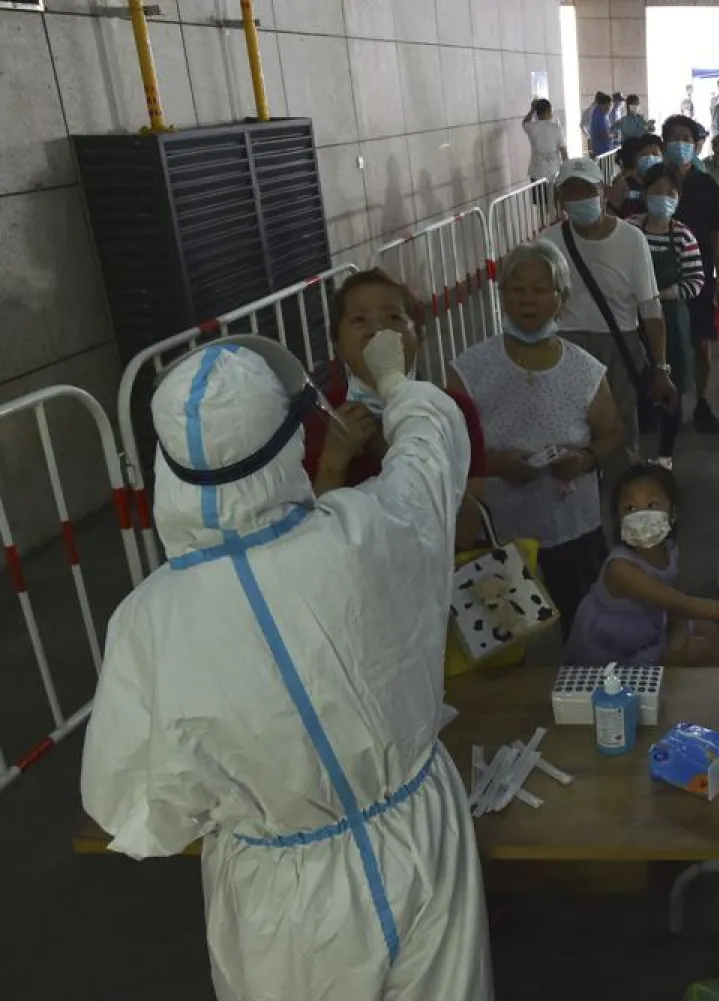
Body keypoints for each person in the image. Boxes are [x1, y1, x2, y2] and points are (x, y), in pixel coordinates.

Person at [81, 331, 494, 1000]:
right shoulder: (369, 529)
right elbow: (430, 452)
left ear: (168, 471)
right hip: (421, 838)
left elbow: (131, 804)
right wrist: (396, 382)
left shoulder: (147, 621)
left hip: (279, 890)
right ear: (287, 450)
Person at [450, 242, 625, 635]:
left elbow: (611, 431)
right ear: (503, 296)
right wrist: (495, 464)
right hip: (495, 525)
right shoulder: (470, 368)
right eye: (517, 288)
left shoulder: (584, 370)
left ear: (560, 300)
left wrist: (584, 459)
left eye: (540, 289)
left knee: (585, 625)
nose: (527, 299)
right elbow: (451, 444)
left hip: (572, 524)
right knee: (500, 632)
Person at [302, 270, 486, 543]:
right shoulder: (317, 418)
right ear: (338, 346)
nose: (377, 330)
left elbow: (467, 533)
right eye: (359, 320)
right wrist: (334, 461)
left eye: (393, 317)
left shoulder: (450, 410)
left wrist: (411, 441)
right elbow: (310, 540)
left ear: (419, 337)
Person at [540, 159, 675, 464]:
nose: (579, 200)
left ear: (603, 191)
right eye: (570, 193)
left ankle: (620, 492)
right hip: (566, 347)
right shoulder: (548, 243)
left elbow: (650, 309)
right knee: (569, 429)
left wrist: (661, 368)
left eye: (586, 191)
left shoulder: (631, 239)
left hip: (619, 347)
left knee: (619, 430)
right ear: (560, 199)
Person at [563, 464, 719, 667]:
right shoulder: (620, 568)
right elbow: (682, 603)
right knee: (700, 650)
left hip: (651, 624)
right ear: (618, 520)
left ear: (673, 512)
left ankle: (713, 693)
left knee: (708, 630)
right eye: (630, 508)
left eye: (652, 505)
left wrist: (678, 629)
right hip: (614, 650)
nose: (641, 516)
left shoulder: (669, 548)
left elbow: (676, 593)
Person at [627, 164, 705, 469]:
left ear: (679, 197)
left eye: (670, 193)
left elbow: (696, 280)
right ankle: (631, 451)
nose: (663, 198)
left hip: (671, 319)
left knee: (670, 383)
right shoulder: (630, 229)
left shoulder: (683, 236)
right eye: (656, 192)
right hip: (632, 320)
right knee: (633, 384)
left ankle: (665, 454)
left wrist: (663, 294)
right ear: (645, 194)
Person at [662, 114, 719, 435]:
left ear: (696, 144)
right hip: (660, 274)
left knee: (701, 341)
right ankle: (665, 404)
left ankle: (702, 402)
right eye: (674, 138)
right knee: (663, 341)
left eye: (686, 139)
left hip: (699, 274)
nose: (680, 144)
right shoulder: (655, 182)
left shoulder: (706, 185)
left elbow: (717, 234)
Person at [606, 134, 662, 216]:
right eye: (644, 154)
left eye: (655, 154)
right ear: (635, 158)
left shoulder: (667, 183)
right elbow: (610, 215)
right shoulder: (624, 183)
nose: (650, 157)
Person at [523, 98, 567, 185]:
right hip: (554, 172)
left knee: (538, 198)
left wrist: (532, 110)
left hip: (536, 173)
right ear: (548, 111)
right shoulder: (556, 128)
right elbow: (563, 152)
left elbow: (525, 122)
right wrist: (567, 170)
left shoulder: (532, 128)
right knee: (553, 198)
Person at [588, 91, 616, 157]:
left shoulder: (601, 114)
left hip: (604, 151)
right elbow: (604, 135)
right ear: (604, 105)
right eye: (610, 106)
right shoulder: (599, 116)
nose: (610, 109)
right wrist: (615, 135)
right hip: (602, 151)